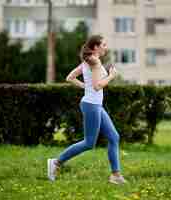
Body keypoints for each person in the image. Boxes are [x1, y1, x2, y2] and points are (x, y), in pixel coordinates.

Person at [47, 35, 127, 184]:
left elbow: (70, 77)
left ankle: (115, 175)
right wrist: (111, 76)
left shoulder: (88, 60)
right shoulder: (94, 61)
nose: (105, 47)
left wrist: (85, 86)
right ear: (95, 47)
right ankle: (56, 162)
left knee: (114, 137)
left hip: (94, 104)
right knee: (89, 143)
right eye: (103, 44)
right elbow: (97, 86)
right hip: (91, 105)